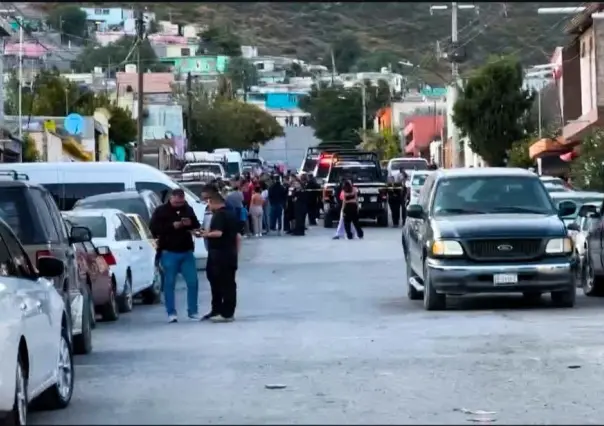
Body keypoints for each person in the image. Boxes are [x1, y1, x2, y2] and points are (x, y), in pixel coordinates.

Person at [149, 188, 201, 323]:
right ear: (171, 198)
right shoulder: (161, 211)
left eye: (181, 202)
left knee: (193, 282)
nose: (179, 205)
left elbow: (196, 224)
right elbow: (154, 229)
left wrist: (190, 224)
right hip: (169, 251)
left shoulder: (187, 209)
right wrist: (172, 226)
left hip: (186, 251)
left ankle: (193, 311)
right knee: (169, 283)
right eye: (176, 202)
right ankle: (171, 312)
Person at [200, 183, 242, 322]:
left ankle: (225, 312)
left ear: (212, 201)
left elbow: (218, 233)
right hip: (229, 254)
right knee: (226, 283)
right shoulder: (231, 213)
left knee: (222, 283)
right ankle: (222, 310)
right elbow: (237, 236)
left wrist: (204, 234)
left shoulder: (219, 215)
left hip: (220, 255)